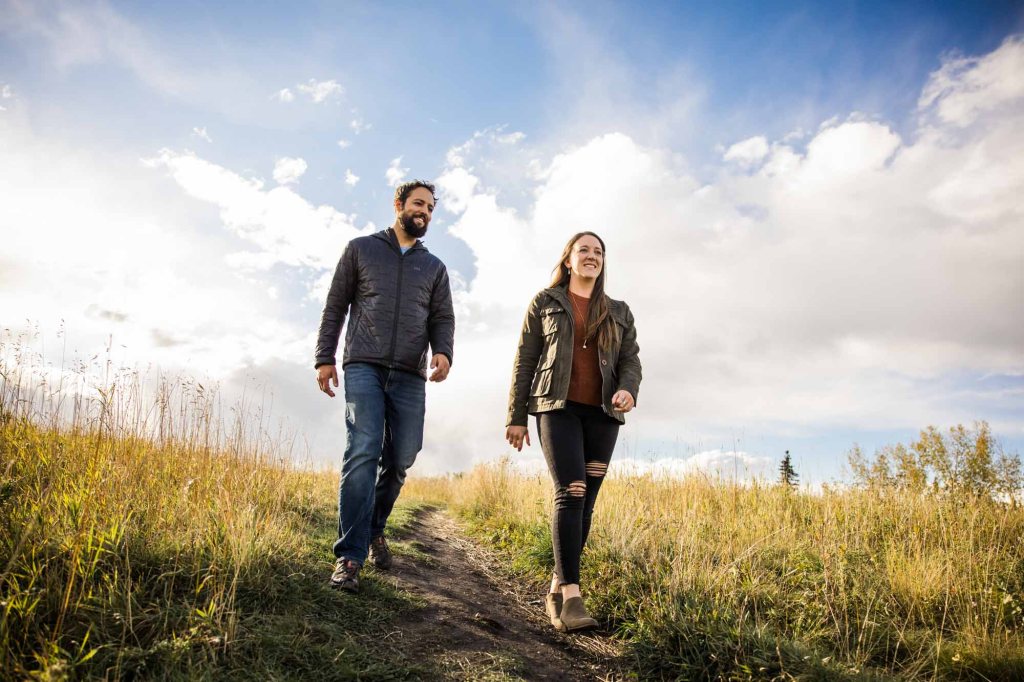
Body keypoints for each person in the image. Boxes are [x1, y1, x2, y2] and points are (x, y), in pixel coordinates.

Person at [316, 179, 455, 593]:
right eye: (418, 204)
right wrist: (325, 357)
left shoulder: (434, 268)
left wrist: (443, 352)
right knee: (363, 449)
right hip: (363, 365)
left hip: (410, 374)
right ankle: (349, 557)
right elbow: (335, 305)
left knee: (401, 458)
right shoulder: (361, 249)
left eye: (430, 208)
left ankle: (375, 528)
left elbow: (442, 317)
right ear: (398, 204)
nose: (424, 213)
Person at [505, 231, 641, 632]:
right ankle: (573, 596)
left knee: (588, 499)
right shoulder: (546, 302)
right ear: (568, 259)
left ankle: (556, 587)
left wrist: (627, 390)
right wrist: (515, 416)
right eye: (584, 250)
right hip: (555, 407)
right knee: (572, 491)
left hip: (602, 415)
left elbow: (631, 360)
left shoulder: (618, 310)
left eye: (598, 252)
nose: (592, 256)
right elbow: (524, 360)